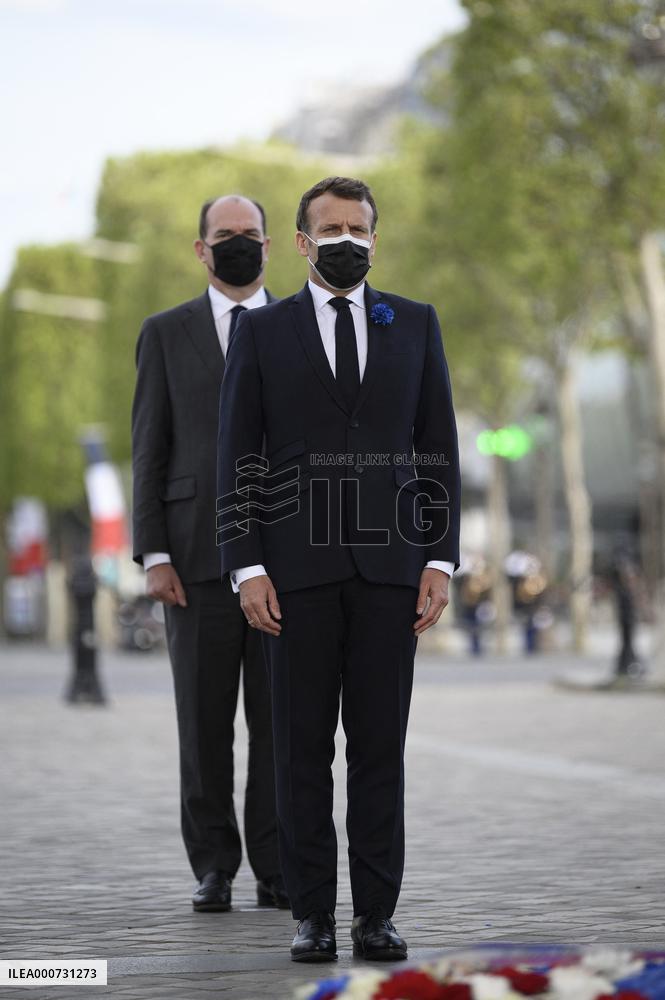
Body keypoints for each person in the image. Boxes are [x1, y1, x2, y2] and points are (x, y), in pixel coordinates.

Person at [217, 177, 461, 962]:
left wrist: (440, 556)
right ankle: (312, 915)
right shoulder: (261, 333)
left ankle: (375, 917)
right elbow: (236, 457)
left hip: (392, 571)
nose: (345, 239)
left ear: (375, 239)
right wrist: (244, 564)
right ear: (300, 241)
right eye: (329, 228)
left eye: (358, 227)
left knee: (379, 750)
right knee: (299, 752)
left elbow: (438, 450)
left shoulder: (416, 325)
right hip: (293, 575)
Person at [131, 195, 287, 913]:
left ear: (271, 244)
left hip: (289, 561)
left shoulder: (300, 327)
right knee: (203, 724)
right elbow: (148, 449)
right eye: (223, 237)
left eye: (248, 235)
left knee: (283, 725)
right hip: (192, 562)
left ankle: (278, 867)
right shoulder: (165, 334)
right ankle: (214, 866)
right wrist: (152, 550)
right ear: (200, 249)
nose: (237, 246)